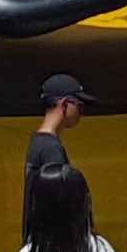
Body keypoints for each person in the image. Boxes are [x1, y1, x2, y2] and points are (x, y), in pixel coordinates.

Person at [23, 73, 93, 227]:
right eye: (79, 105)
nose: (82, 113)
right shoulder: (52, 148)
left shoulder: (38, 141)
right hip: (52, 243)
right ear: (65, 104)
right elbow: (58, 204)